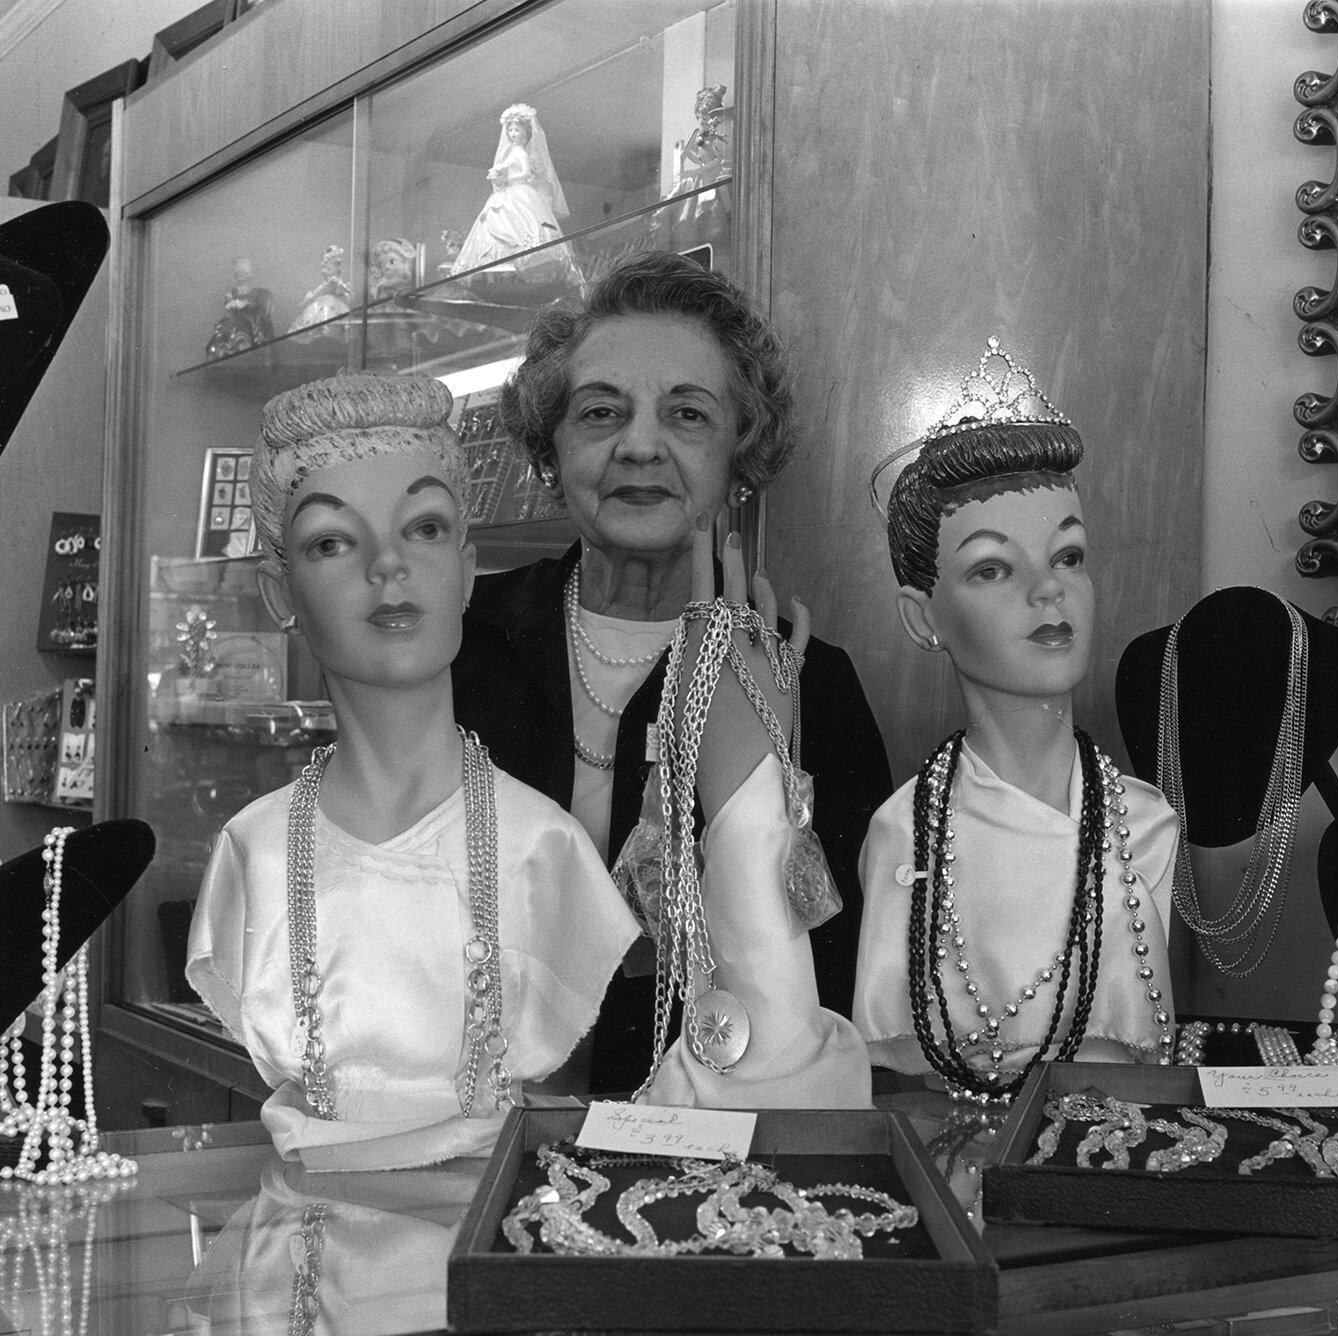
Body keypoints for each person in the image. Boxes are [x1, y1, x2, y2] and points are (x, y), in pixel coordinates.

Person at [186, 371, 868, 1172]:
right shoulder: (254, 851)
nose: (386, 568)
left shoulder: (540, 846)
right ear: (279, 591)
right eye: (331, 541)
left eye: (425, 528)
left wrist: (747, 792)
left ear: (468, 570)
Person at [453, 250, 892, 1093]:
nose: (641, 445)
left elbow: (834, 967)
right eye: (599, 413)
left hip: (708, 1139)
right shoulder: (463, 645)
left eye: (687, 415)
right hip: (473, 1121)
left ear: (740, 457)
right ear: (551, 451)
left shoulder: (807, 681)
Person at [854, 339, 1178, 1102]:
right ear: (921, 615)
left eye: (1067, 557)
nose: (1047, 593)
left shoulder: (1145, 824)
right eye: (992, 568)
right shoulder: (906, 835)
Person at [449, 103, 576, 286]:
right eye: (510, 130)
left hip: (521, 192)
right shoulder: (512, 151)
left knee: (525, 225)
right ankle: (499, 268)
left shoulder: (521, 152)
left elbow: (525, 174)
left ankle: (524, 265)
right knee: (493, 220)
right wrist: (499, 177)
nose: (513, 134)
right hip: (508, 192)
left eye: (517, 130)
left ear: (526, 133)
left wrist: (507, 177)